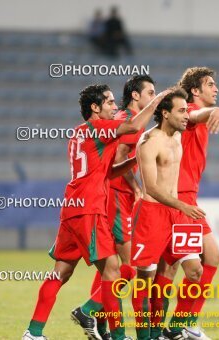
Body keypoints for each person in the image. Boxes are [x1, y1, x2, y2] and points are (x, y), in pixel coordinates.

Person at [22, 84, 170, 340]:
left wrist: (136, 160)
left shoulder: (78, 133)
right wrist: (157, 101)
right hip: (90, 209)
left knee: (61, 272)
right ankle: (113, 331)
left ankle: (33, 332)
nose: (115, 107)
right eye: (110, 103)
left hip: (72, 208)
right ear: (95, 107)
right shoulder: (100, 128)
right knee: (116, 270)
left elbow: (106, 172)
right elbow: (134, 127)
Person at [71, 75, 156, 340]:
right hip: (116, 198)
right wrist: (137, 187)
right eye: (150, 93)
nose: (153, 97)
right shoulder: (126, 120)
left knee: (111, 268)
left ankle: (107, 329)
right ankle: (94, 314)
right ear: (136, 96)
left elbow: (116, 159)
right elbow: (118, 158)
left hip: (109, 198)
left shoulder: (121, 120)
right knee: (130, 267)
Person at [152, 67, 219, 340]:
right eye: (210, 84)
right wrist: (215, 111)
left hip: (181, 197)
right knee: (209, 257)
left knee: (167, 267)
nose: (216, 89)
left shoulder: (186, 115)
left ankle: (165, 330)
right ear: (195, 91)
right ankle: (179, 326)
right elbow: (197, 115)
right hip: (181, 199)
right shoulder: (189, 113)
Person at [130, 88, 212, 340]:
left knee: (195, 271)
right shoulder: (148, 141)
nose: (187, 115)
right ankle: (148, 336)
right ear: (165, 114)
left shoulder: (177, 137)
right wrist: (182, 205)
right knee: (146, 281)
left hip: (176, 215)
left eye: (188, 110)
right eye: (182, 111)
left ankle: (166, 329)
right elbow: (151, 187)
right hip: (152, 216)